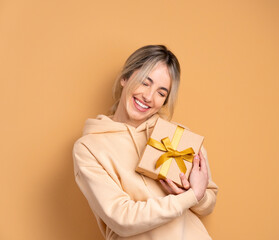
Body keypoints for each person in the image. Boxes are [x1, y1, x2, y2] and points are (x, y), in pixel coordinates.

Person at [73, 45, 219, 240]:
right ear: (125, 78)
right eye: (145, 82)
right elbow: (122, 219)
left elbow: (207, 200)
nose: (149, 97)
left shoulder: (177, 136)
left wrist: (194, 193)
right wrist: (190, 197)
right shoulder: (89, 148)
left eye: (161, 92)